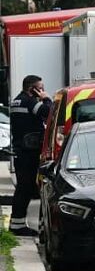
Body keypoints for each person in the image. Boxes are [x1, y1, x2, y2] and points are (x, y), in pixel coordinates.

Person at [8, 75, 52, 236]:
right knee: (24, 188)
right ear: (31, 88)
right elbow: (48, 112)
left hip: (22, 151)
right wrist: (46, 99)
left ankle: (17, 223)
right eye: (40, 87)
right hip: (28, 152)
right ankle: (17, 225)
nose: (42, 90)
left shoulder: (17, 100)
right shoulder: (29, 101)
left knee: (24, 188)